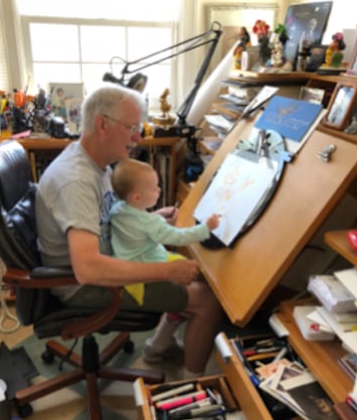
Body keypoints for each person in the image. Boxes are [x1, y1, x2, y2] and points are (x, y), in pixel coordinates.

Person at [36, 83, 223, 378]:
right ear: (102, 125)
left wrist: (150, 219)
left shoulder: (98, 165)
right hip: (85, 287)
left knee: (191, 276)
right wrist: (165, 273)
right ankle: (193, 386)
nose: (139, 136)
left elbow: (107, 219)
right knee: (209, 301)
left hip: (107, 263)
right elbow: (87, 269)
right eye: (132, 127)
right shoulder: (76, 181)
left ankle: (156, 347)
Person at [109, 158, 219, 306]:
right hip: (145, 272)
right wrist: (206, 228)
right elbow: (179, 237)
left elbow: (137, 226)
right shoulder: (149, 223)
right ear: (137, 197)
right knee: (191, 268)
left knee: (182, 261)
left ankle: (178, 313)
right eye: (154, 188)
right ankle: (180, 309)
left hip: (128, 268)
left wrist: (158, 217)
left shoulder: (117, 208)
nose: (159, 190)